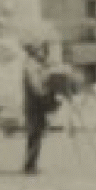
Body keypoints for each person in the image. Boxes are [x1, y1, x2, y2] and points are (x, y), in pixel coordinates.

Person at [21, 39, 65, 175]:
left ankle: (31, 164)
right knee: (35, 134)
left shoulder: (38, 65)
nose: (43, 53)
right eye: (40, 50)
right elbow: (36, 87)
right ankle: (30, 165)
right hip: (34, 105)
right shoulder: (30, 66)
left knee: (37, 134)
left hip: (38, 104)